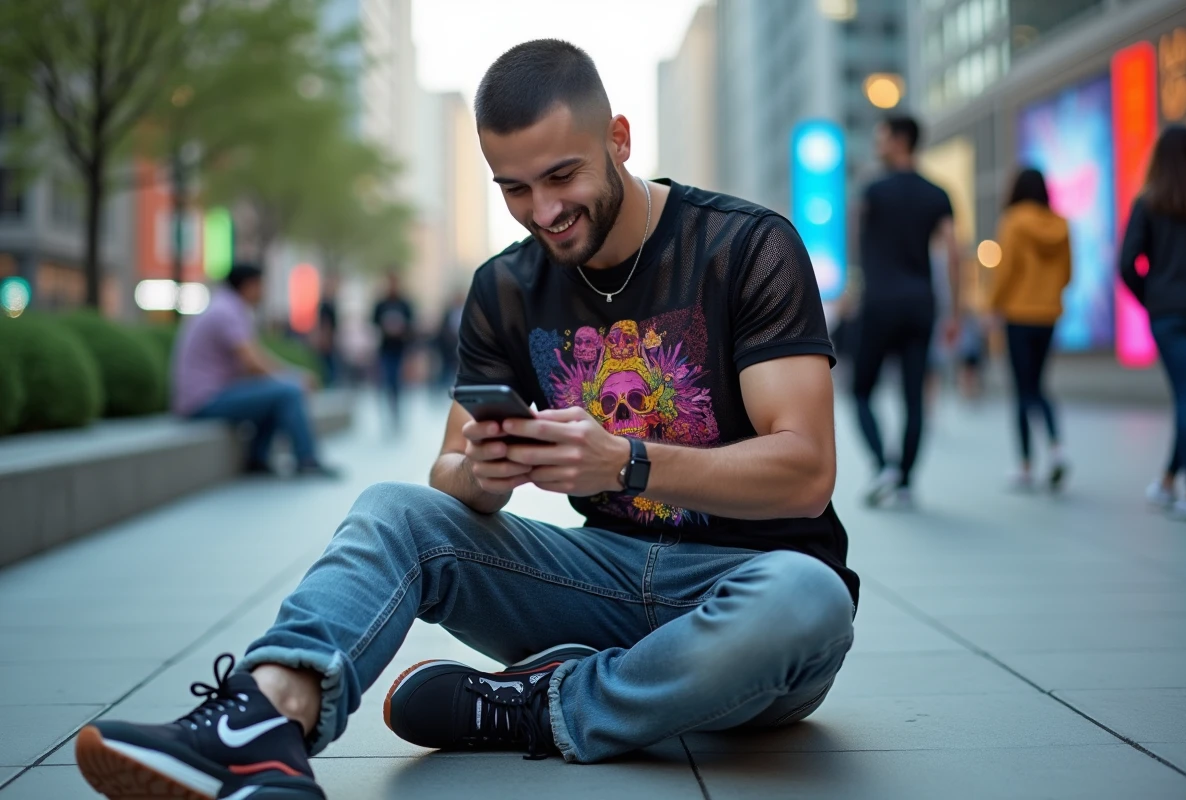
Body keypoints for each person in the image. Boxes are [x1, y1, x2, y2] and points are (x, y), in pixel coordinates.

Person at [75, 40, 856, 799]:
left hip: (750, 591)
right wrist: (484, 472)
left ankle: (536, 704)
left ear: (618, 139)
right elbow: (448, 472)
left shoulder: (743, 247)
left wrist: (627, 462)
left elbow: (806, 473)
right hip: (602, 580)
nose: (543, 212)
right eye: (514, 189)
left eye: (562, 176)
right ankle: (263, 722)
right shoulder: (505, 287)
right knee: (394, 510)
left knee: (808, 598)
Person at [853, 115, 959, 508]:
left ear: (900, 140)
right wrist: (955, 312)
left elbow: (855, 237)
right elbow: (953, 253)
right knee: (914, 397)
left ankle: (884, 466)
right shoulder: (937, 193)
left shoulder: (873, 191)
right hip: (920, 304)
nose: (877, 145)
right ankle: (905, 480)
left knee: (862, 390)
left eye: (881, 138)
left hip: (879, 302)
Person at [170, 263, 339, 479]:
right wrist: (294, 377)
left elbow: (252, 362)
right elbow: (252, 361)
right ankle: (307, 460)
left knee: (277, 392)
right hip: (204, 400)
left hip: (209, 395)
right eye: (261, 285)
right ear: (249, 286)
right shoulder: (226, 311)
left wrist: (288, 376)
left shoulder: (226, 307)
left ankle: (258, 458)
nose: (264, 292)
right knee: (288, 392)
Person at [1120, 124, 1186, 519]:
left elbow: (1126, 264)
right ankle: (1169, 481)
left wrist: (1151, 299)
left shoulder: (1148, 202)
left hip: (1168, 314)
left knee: (1185, 395)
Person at [988, 168, 1072, 491]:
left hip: (1018, 314)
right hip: (1049, 315)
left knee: (1022, 389)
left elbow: (1006, 270)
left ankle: (1025, 465)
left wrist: (993, 305)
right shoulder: (1061, 225)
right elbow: (1068, 273)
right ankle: (1057, 448)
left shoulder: (1013, 222)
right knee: (1039, 385)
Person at [372, 272, 415, 426]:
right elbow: (374, 323)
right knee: (387, 380)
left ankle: (397, 411)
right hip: (385, 349)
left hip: (401, 349)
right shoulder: (381, 304)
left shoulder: (404, 304)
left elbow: (412, 326)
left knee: (399, 382)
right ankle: (390, 410)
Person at [314, 275, 339, 387]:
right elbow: (325, 324)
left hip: (330, 338)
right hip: (327, 340)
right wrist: (325, 339)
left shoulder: (331, 303)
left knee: (330, 364)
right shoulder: (325, 305)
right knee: (328, 365)